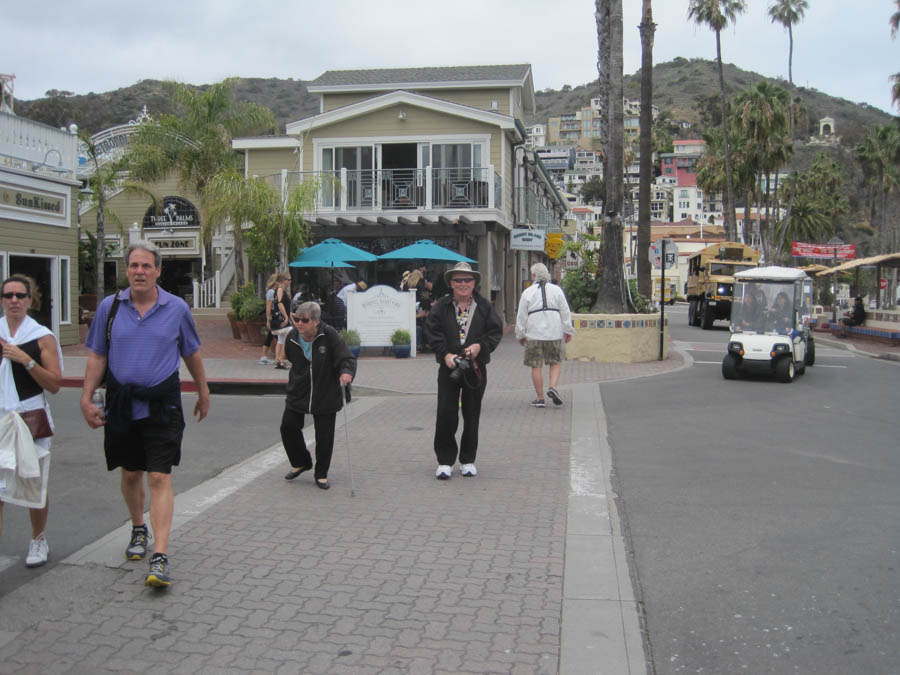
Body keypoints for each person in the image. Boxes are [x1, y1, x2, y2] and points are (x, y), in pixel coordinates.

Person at [80, 241, 210, 589]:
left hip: (162, 403)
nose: (139, 271)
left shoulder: (177, 308)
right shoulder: (110, 308)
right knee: (130, 472)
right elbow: (97, 357)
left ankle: (161, 554)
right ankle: (138, 527)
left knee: (159, 477)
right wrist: (86, 396)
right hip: (122, 402)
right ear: (126, 270)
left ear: (158, 271)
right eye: (134, 266)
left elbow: (191, 353)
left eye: (146, 266)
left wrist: (203, 388)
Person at [0, 275, 62, 568]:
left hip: (30, 416)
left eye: (20, 295)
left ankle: (38, 538)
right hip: (1, 416)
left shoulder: (41, 337)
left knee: (33, 481)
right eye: (8, 295)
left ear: (30, 300)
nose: (14, 300)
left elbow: (54, 384)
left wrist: (26, 359)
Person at [424, 262, 502, 480]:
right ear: (451, 283)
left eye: (467, 280)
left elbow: (494, 332)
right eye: (458, 280)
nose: (463, 284)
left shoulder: (484, 306)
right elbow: (432, 332)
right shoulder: (441, 306)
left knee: (472, 413)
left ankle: (467, 460)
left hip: (474, 368)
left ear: (474, 282)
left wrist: (479, 347)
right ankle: (445, 461)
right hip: (449, 367)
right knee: (446, 413)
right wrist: (445, 355)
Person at [280, 301, 356, 490]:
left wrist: (346, 372)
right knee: (288, 427)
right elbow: (291, 357)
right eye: (296, 319)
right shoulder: (292, 337)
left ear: (315, 321)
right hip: (299, 389)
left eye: (304, 320)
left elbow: (346, 357)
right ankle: (301, 462)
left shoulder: (329, 335)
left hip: (326, 391)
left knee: (324, 435)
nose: (299, 323)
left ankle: (321, 474)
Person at [515, 263, 574, 408]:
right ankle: (552, 387)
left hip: (534, 333)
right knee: (555, 362)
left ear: (533, 275)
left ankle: (540, 398)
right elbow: (565, 312)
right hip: (554, 331)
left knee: (536, 366)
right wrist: (568, 330)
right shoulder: (557, 290)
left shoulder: (527, 292)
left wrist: (520, 334)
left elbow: (521, 316)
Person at [258, 273, 281, 365]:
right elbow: (268, 307)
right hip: (272, 317)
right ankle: (279, 357)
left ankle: (263, 356)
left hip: (274, 316)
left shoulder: (274, 292)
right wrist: (268, 319)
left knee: (270, 336)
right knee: (278, 337)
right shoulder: (271, 292)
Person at [271, 274, 292, 369]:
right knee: (289, 335)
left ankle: (277, 360)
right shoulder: (280, 290)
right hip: (282, 318)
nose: (290, 281)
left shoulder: (281, 290)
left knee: (281, 339)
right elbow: (279, 303)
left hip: (280, 318)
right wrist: (286, 317)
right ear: (284, 280)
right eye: (289, 279)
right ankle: (281, 359)